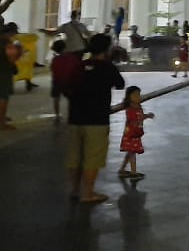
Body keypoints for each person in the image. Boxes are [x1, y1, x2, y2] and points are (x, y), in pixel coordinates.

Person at [66, 34, 124, 203]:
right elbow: (120, 84)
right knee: (92, 157)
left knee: (75, 156)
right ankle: (88, 193)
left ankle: (75, 190)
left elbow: (68, 85)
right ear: (107, 49)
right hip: (97, 118)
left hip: (75, 117)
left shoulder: (80, 66)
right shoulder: (107, 67)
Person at [117, 86, 154, 180]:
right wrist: (144, 117)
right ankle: (133, 172)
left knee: (130, 152)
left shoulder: (138, 106)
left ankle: (122, 170)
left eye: (138, 94)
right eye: (134, 95)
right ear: (129, 97)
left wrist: (146, 116)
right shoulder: (130, 108)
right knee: (132, 152)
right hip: (131, 134)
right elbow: (133, 120)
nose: (137, 97)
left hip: (136, 133)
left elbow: (140, 117)